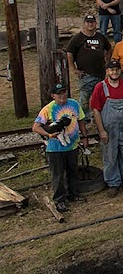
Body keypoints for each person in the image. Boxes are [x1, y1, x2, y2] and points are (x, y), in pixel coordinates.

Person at [32, 84, 88, 212]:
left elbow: (81, 121)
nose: (62, 96)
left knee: (73, 171)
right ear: (53, 96)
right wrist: (49, 134)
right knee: (58, 175)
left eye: (64, 92)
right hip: (55, 149)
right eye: (59, 94)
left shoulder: (74, 104)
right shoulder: (48, 109)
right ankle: (59, 200)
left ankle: (73, 194)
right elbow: (36, 127)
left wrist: (85, 137)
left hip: (73, 145)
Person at [90, 60, 123, 194]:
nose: (115, 72)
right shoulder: (100, 87)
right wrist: (101, 130)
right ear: (107, 72)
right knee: (110, 156)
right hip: (109, 129)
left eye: (117, 69)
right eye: (111, 70)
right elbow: (95, 110)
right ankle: (113, 183)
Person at [66, 14, 111, 124]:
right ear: (84, 23)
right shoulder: (77, 38)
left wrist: (107, 62)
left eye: (92, 22)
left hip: (100, 74)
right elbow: (69, 53)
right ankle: (84, 121)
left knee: (101, 98)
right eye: (88, 22)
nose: (90, 24)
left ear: (96, 24)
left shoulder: (101, 37)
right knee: (85, 100)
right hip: (86, 75)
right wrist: (73, 68)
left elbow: (109, 48)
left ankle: (100, 119)